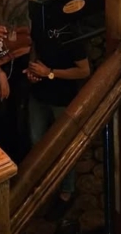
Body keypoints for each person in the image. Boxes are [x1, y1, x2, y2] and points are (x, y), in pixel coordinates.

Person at [26, 37, 90, 206]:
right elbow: (35, 46)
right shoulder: (39, 24)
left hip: (63, 99)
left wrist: (50, 73)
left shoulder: (71, 32)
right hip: (38, 95)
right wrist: (32, 70)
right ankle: (43, 187)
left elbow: (84, 71)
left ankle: (66, 191)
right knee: (37, 143)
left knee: (64, 145)